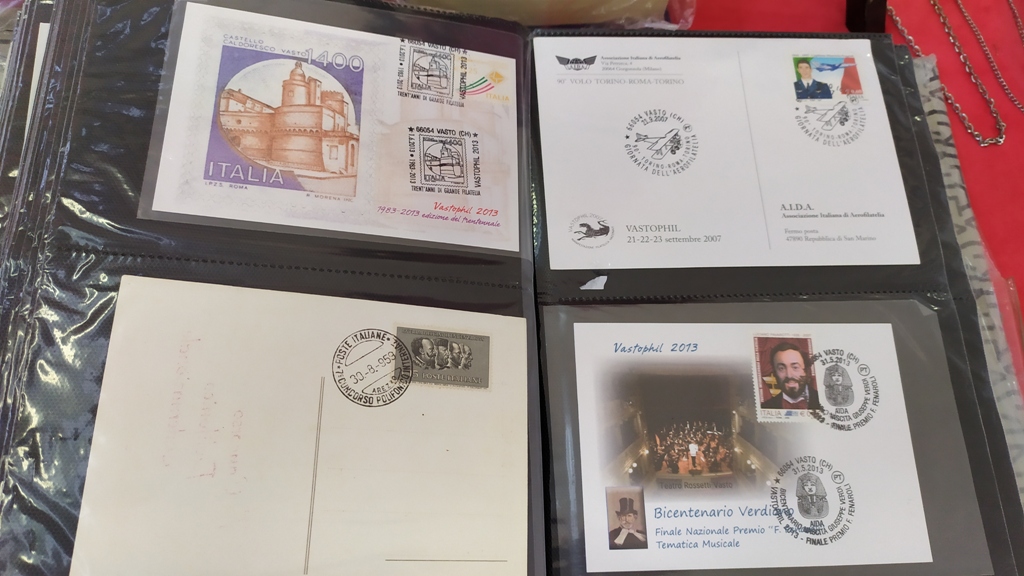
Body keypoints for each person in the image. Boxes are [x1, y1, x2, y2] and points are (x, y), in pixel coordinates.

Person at [761, 342, 822, 410]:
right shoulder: (766, 407)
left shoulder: (824, 401)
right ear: (775, 373)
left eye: (795, 367)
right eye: (781, 368)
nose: (789, 375)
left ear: (806, 371)